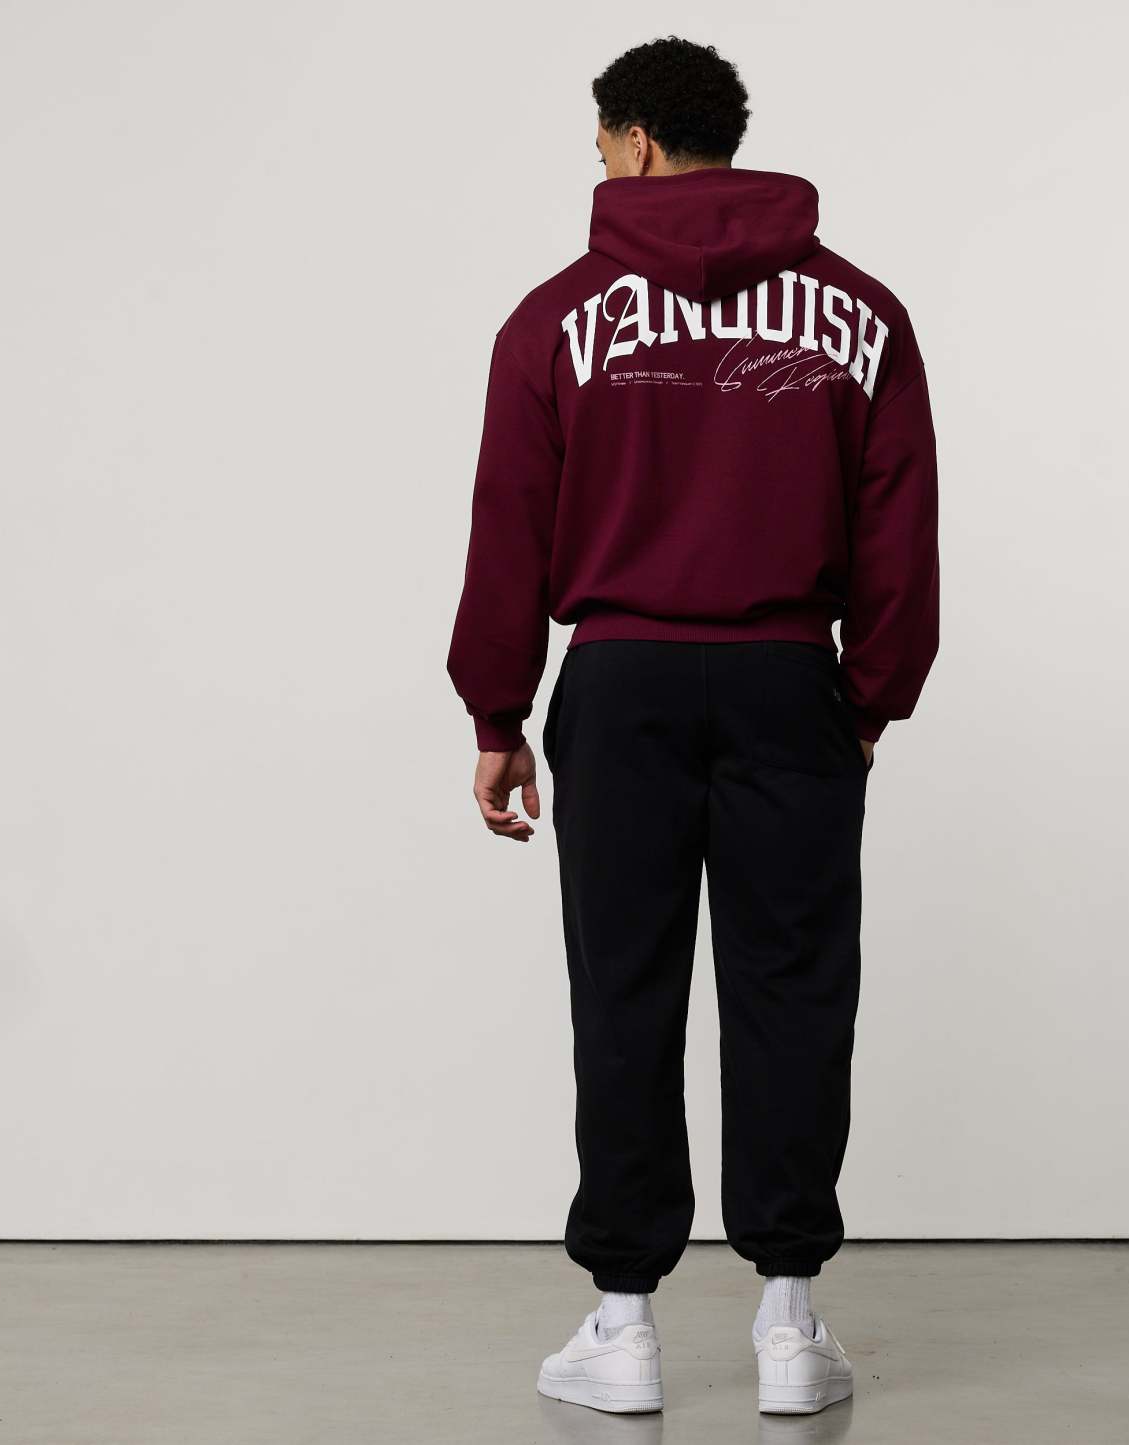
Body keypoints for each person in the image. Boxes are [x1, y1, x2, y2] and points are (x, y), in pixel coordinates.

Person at [447, 35, 939, 1417]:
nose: (600, 169)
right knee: (796, 987)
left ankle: (623, 1322)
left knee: (624, 986)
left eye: (603, 146)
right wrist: (868, 696)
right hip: (789, 680)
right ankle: (788, 1321)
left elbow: (508, 522)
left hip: (620, 682)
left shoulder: (556, 319)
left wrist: (497, 706)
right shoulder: (861, 315)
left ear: (640, 142)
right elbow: (900, 522)